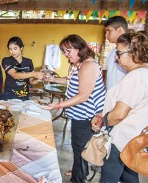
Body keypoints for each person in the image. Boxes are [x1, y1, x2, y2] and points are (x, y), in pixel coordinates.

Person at [43, 34, 106, 183]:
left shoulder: (88, 65)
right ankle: (78, 172)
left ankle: (78, 179)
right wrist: (53, 79)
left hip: (87, 117)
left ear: (79, 48)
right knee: (79, 149)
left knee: (81, 150)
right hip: (79, 115)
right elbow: (70, 79)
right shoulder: (77, 64)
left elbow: (83, 95)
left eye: (68, 50)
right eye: (63, 51)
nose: (66, 54)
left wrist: (57, 105)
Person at [91, 32, 148, 183]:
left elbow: (119, 114)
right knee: (129, 176)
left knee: (109, 178)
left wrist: (101, 122)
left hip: (121, 140)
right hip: (134, 138)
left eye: (119, 52)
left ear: (133, 53)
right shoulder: (144, 74)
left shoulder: (135, 77)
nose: (116, 57)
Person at [1, 36, 44, 101]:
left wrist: (40, 78)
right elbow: (15, 75)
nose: (12, 52)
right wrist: (34, 74)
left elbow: (31, 81)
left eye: (15, 49)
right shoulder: (6, 60)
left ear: (21, 48)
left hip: (24, 96)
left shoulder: (28, 62)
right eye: (10, 49)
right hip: (9, 95)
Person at [104, 16, 128, 90]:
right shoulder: (111, 52)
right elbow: (109, 75)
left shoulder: (132, 51)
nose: (106, 34)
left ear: (120, 30)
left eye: (109, 30)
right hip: (111, 97)